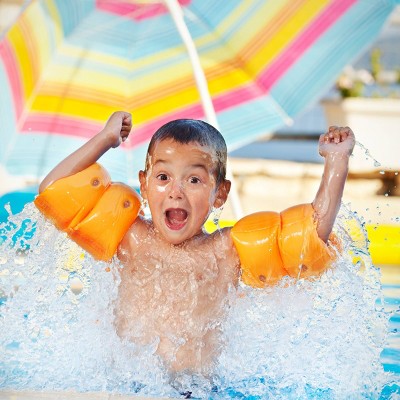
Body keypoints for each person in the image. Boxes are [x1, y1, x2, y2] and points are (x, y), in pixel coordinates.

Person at [37, 111, 355, 377]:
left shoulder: (225, 252)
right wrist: (106, 139)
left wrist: (336, 161)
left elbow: (308, 237)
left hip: (194, 391)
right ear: (144, 184)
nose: (176, 192)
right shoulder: (130, 238)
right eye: (163, 177)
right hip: (126, 386)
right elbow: (54, 190)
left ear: (220, 193)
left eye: (194, 180)